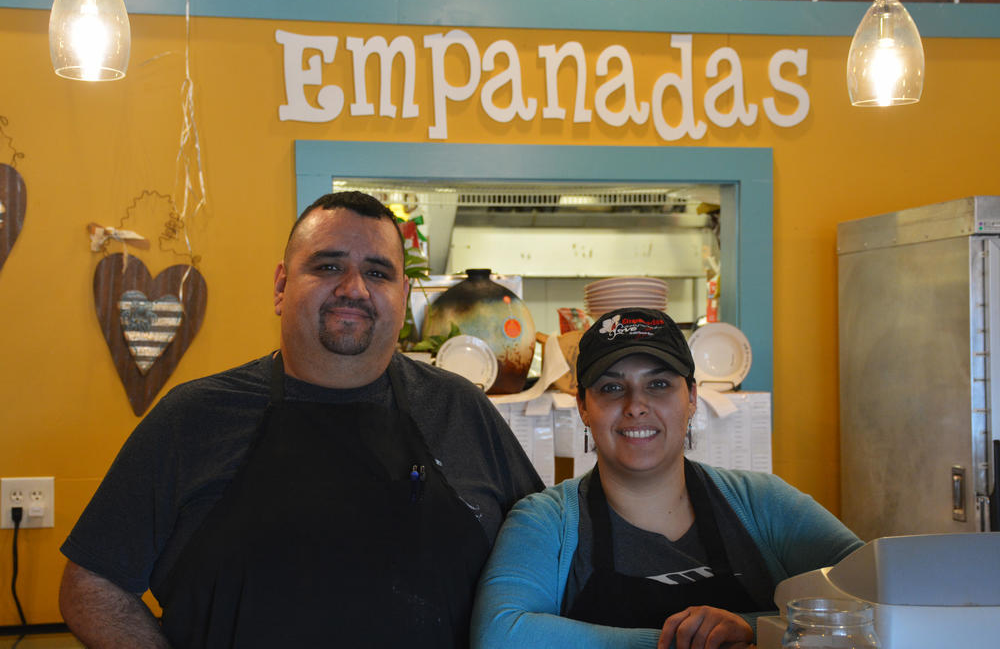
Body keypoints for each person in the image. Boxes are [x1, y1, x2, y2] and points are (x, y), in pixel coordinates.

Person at [59, 192, 543, 649]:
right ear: (280, 286)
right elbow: (91, 584)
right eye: (328, 266)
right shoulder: (191, 419)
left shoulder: (462, 410)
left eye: (378, 273)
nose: (353, 289)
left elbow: (549, 554)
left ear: (404, 295)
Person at [471, 308, 863, 649]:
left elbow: (878, 596)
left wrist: (749, 628)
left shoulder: (763, 502)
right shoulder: (545, 521)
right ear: (583, 407)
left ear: (691, 397)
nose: (636, 406)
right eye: (611, 387)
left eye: (659, 384)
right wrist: (674, 642)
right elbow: (500, 635)